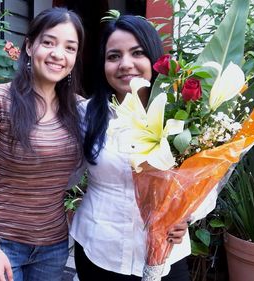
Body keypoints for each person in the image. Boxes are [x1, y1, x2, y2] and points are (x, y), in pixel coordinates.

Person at [69, 15, 216, 281]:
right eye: (113, 56)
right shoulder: (86, 115)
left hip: (167, 253)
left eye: (137, 53)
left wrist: (188, 216)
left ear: (154, 58)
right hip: (99, 247)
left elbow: (207, 178)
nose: (125, 64)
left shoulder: (184, 114)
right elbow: (64, 170)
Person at [0, 7, 85, 281]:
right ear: (30, 46)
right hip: (2, 242)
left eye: (70, 47)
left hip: (53, 248)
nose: (58, 54)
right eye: (49, 42)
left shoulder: (79, 110)